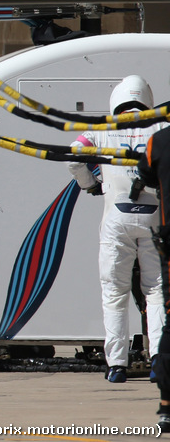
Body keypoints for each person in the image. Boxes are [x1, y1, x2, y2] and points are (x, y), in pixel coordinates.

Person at [68, 76, 165, 384]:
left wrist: (91, 184)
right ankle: (158, 362)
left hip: (117, 221)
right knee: (157, 292)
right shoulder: (161, 128)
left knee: (114, 293)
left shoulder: (103, 129)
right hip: (154, 218)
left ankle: (117, 365)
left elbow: (74, 155)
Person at [134, 123, 170, 431]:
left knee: (116, 292)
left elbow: (144, 175)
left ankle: (167, 404)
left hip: (166, 238)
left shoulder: (157, 140)